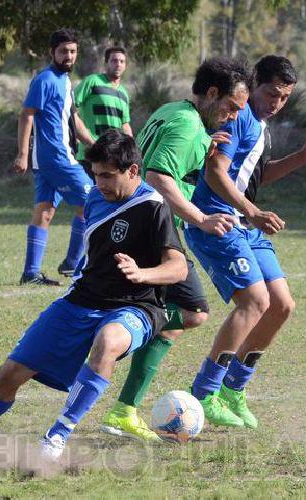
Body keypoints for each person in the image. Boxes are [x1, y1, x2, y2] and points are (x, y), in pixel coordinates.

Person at [0, 129, 188, 462]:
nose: (100, 183)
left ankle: (57, 436)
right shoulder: (94, 198)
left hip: (138, 306)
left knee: (108, 341)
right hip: (82, 300)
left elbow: (178, 267)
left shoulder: (153, 207)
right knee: (9, 374)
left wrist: (142, 274)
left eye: (108, 176)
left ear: (133, 171)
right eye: (96, 175)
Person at [99, 57, 249, 441]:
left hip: (142, 223)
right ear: (212, 94)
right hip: (154, 229)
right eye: (231, 107)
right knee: (193, 311)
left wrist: (204, 144)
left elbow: (161, 159)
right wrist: (201, 219)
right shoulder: (187, 125)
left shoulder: (176, 113)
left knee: (182, 316)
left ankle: (124, 405)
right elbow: (157, 176)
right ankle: (115, 343)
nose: (232, 117)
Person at [184, 55, 306, 429]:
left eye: (284, 98)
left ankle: (234, 388)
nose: (276, 102)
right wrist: (252, 212)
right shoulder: (238, 117)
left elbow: (253, 177)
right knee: (254, 302)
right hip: (217, 222)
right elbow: (215, 174)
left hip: (245, 223)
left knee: (281, 306)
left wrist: (300, 157)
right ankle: (204, 394)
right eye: (270, 93)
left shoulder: (260, 126)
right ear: (253, 85)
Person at [13, 28, 99, 286]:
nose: (68, 56)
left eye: (72, 51)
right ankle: (74, 264)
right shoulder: (45, 80)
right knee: (94, 202)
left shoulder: (65, 81)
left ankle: (30, 273)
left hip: (51, 159)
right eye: (63, 52)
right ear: (52, 52)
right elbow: (27, 114)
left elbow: (72, 119)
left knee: (44, 212)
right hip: (56, 157)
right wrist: (22, 154)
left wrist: (94, 145)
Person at [71, 46, 133, 188]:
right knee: (88, 201)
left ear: (125, 65)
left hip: (112, 156)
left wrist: (131, 148)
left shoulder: (124, 93)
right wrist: (81, 136)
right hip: (90, 154)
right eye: (114, 60)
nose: (118, 64)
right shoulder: (92, 81)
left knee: (109, 202)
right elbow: (70, 106)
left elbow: (125, 124)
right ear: (106, 63)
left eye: (122, 61)